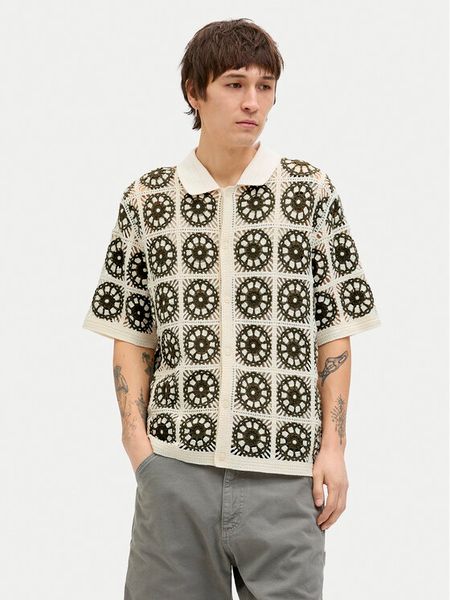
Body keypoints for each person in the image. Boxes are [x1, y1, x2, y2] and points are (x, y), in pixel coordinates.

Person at [82, 17, 381, 600]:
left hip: (285, 476)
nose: (253, 102)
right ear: (195, 92)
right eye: (235, 84)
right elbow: (131, 335)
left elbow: (335, 332)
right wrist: (141, 453)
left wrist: (334, 448)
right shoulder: (148, 199)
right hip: (175, 473)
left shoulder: (309, 191)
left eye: (265, 86)